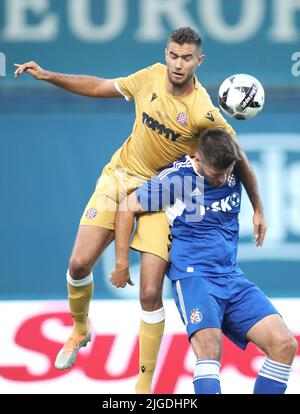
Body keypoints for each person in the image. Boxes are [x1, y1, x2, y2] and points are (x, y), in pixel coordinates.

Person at [14, 27, 267, 394]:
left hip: (160, 195)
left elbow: (237, 157)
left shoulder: (205, 112)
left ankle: (143, 387)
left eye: (187, 58)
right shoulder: (149, 76)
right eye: (174, 55)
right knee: (78, 265)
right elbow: (100, 87)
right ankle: (80, 330)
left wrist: (258, 207)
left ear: (200, 61)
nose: (178, 64)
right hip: (118, 178)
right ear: (166, 53)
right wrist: (49, 75)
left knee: (149, 293)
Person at [111, 128, 297, 394]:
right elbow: (126, 207)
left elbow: (242, 169)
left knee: (284, 344)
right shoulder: (177, 180)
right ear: (197, 159)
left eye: (227, 172)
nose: (222, 179)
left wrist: (258, 209)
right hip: (194, 277)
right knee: (210, 350)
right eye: (215, 174)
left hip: (231, 277)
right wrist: (121, 263)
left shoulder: (231, 168)